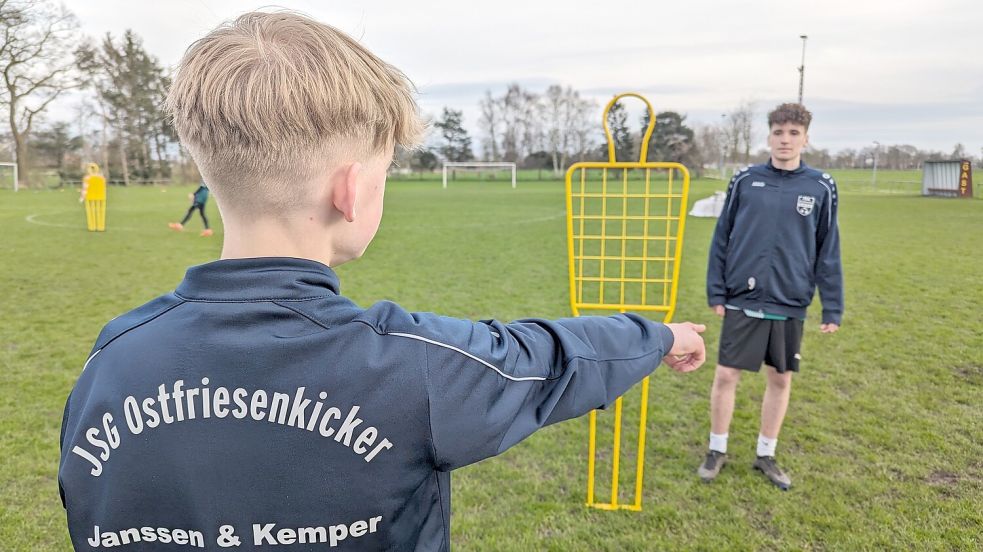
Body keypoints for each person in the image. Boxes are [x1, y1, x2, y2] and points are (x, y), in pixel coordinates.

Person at [58, 11, 708, 551]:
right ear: (351, 189)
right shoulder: (414, 369)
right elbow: (552, 359)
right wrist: (659, 334)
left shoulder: (111, 362)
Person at [698, 103, 843, 490]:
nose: (785, 139)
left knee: (779, 378)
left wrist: (833, 305)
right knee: (726, 374)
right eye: (779, 132)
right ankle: (717, 449)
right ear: (769, 136)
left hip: (789, 299)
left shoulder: (821, 186)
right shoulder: (745, 180)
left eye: (793, 133)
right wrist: (716, 289)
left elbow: (828, 247)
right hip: (742, 296)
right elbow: (722, 239)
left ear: (805, 139)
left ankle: (766, 454)